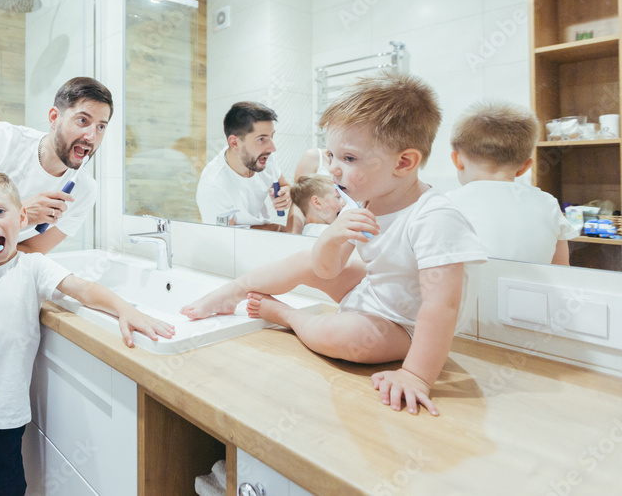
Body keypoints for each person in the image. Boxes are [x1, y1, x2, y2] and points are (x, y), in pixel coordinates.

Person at [181, 71, 486, 415]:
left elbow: (441, 306)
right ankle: (234, 291)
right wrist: (332, 235)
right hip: (374, 295)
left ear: (404, 163)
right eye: (331, 156)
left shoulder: (433, 217)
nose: (334, 170)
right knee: (304, 258)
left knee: (348, 339)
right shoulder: (365, 203)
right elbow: (326, 269)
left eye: (349, 159)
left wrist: (416, 374)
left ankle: (288, 316)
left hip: (404, 327)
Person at [0, 171, 174, 495]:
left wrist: (125, 309)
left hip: (6, 424)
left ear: (21, 218)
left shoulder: (32, 267)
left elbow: (83, 289)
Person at [0, 77, 113, 254]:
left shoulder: (84, 191)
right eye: (82, 120)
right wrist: (16, 213)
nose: (91, 137)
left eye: (101, 127)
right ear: (54, 117)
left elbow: (31, 250)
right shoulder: (0, 139)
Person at [446, 101, 577, 265]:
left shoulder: (445, 204)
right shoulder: (548, 204)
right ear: (525, 167)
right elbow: (562, 270)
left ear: (457, 160)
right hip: (531, 284)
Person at [195, 101, 294, 230]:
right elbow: (227, 238)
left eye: (271, 137)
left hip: (263, 233)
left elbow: (284, 185)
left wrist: (286, 194)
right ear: (234, 143)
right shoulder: (213, 185)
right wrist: (274, 229)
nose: (272, 148)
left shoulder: (264, 157)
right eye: (261, 139)